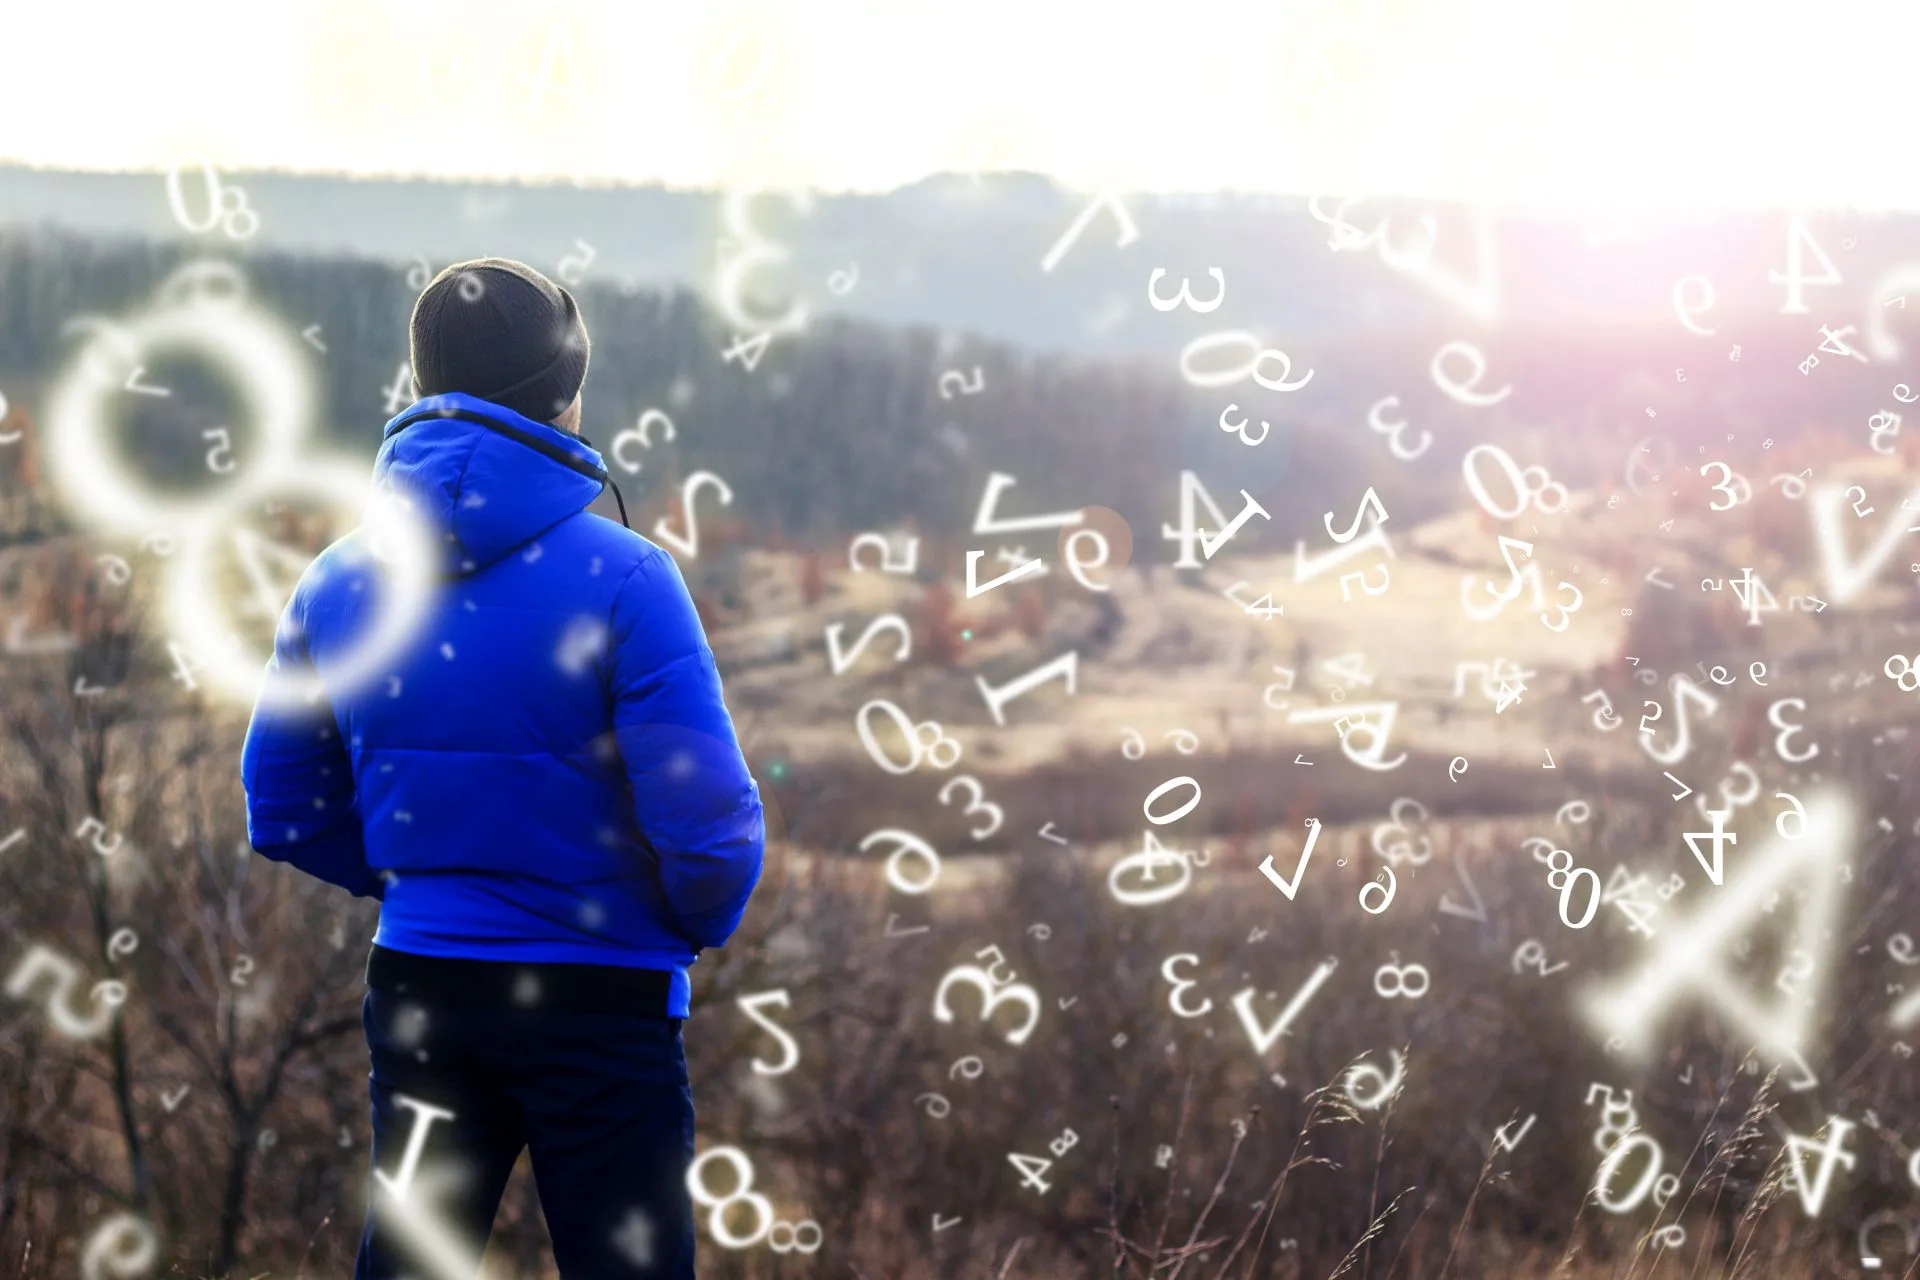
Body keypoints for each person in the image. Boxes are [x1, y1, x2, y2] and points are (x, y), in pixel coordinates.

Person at [240, 257, 765, 1278]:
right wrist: (682, 923)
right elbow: (711, 827)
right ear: (566, 392)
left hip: (424, 990)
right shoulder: (629, 577)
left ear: (422, 379)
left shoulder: (339, 577)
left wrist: (419, 878)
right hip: (603, 1006)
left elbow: (282, 805)